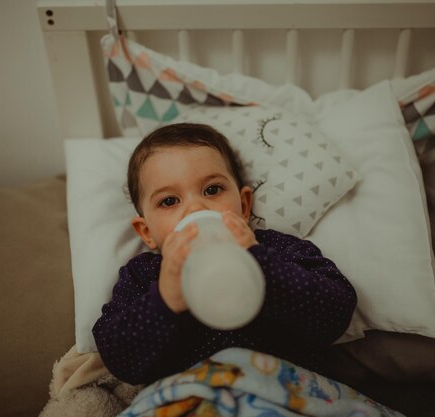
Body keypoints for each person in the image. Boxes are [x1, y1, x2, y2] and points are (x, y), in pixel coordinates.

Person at [93, 123, 357, 386]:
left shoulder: (275, 249)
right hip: (193, 398)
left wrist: (262, 265)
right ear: (146, 231)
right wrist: (166, 299)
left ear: (243, 205)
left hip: (286, 390)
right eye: (170, 201)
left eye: (212, 190)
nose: (196, 208)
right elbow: (119, 360)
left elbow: (337, 313)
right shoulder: (143, 275)